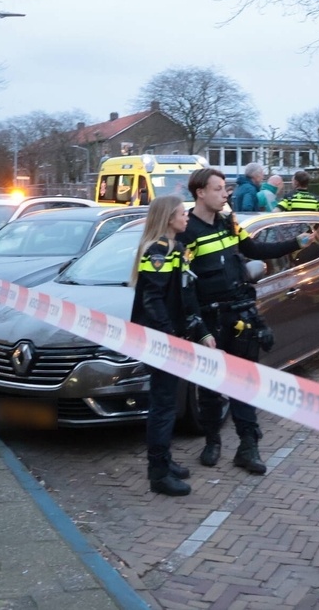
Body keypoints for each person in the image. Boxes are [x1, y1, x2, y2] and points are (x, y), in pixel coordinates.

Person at [177, 168, 310, 475]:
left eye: (225, 188)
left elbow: (255, 249)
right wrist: (200, 329)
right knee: (210, 388)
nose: (225, 194)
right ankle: (212, 441)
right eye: (218, 189)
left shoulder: (229, 222)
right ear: (200, 193)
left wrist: (296, 242)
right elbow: (185, 285)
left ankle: (248, 447)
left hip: (240, 315)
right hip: (210, 321)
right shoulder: (187, 232)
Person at [130, 195, 216, 496]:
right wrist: (168, 335)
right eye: (182, 213)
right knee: (163, 406)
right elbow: (152, 299)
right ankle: (158, 472)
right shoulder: (157, 251)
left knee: (168, 402)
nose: (187, 217)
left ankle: (164, 460)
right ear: (169, 218)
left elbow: (185, 294)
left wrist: (201, 332)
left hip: (172, 337)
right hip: (161, 341)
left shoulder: (175, 248)